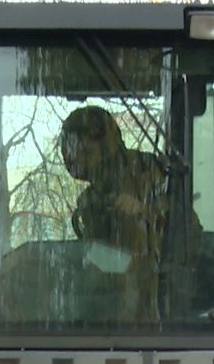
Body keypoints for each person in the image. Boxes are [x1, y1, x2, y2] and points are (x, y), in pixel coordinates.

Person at [57, 106, 201, 321]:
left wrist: (145, 213)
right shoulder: (90, 199)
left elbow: (185, 234)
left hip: (149, 318)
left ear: (105, 144)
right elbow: (98, 259)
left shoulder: (146, 173)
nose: (70, 155)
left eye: (79, 146)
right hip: (108, 310)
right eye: (67, 146)